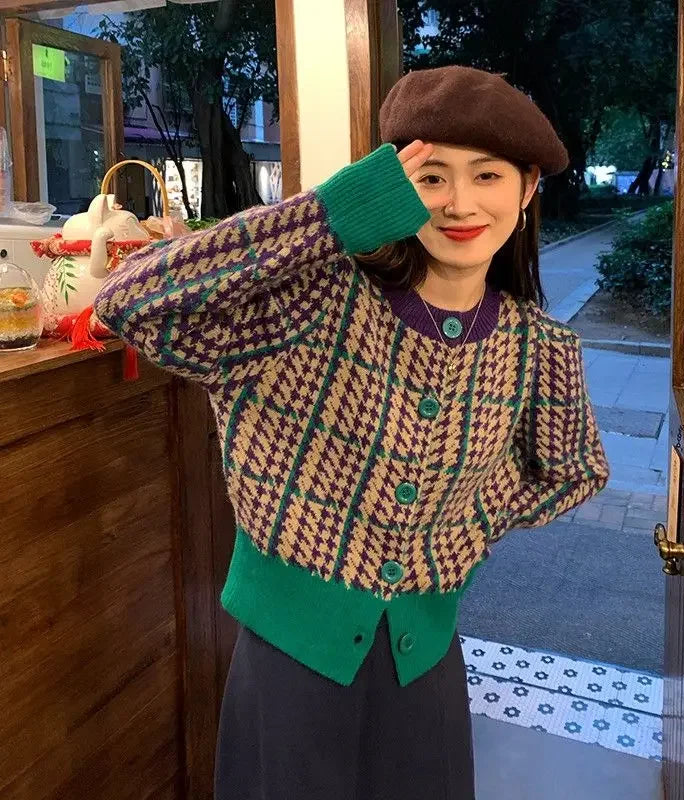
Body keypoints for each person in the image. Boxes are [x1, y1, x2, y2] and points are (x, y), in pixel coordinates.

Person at [93, 64, 610, 800]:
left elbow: (574, 470)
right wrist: (330, 216)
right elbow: (130, 300)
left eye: (488, 176)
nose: (460, 202)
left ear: (527, 191)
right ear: (392, 185)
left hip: (424, 668)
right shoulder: (310, 304)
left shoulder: (538, 347)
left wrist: (468, 517)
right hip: (288, 663)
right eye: (431, 177)